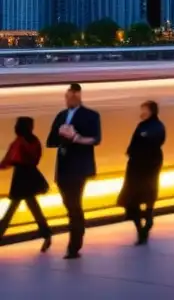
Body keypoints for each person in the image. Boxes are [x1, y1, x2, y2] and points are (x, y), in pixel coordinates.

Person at [46, 82, 101, 259]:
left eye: (72, 96)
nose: (68, 99)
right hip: (63, 167)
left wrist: (75, 137)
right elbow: (50, 141)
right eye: (67, 96)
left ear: (79, 96)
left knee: (74, 205)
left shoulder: (91, 115)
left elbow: (95, 139)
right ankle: (77, 235)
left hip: (79, 167)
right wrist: (60, 134)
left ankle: (74, 245)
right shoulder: (61, 115)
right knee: (70, 205)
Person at [0, 116, 51, 250]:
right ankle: (47, 235)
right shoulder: (35, 141)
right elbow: (36, 158)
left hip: (20, 178)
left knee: (11, 210)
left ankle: (47, 235)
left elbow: (8, 159)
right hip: (32, 176)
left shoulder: (19, 142)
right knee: (34, 208)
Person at [118, 101, 165, 245]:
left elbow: (150, 142)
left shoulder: (154, 127)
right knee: (137, 197)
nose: (142, 112)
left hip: (145, 166)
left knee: (139, 196)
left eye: (144, 110)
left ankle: (144, 226)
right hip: (137, 166)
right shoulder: (145, 126)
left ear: (151, 111)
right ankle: (143, 227)